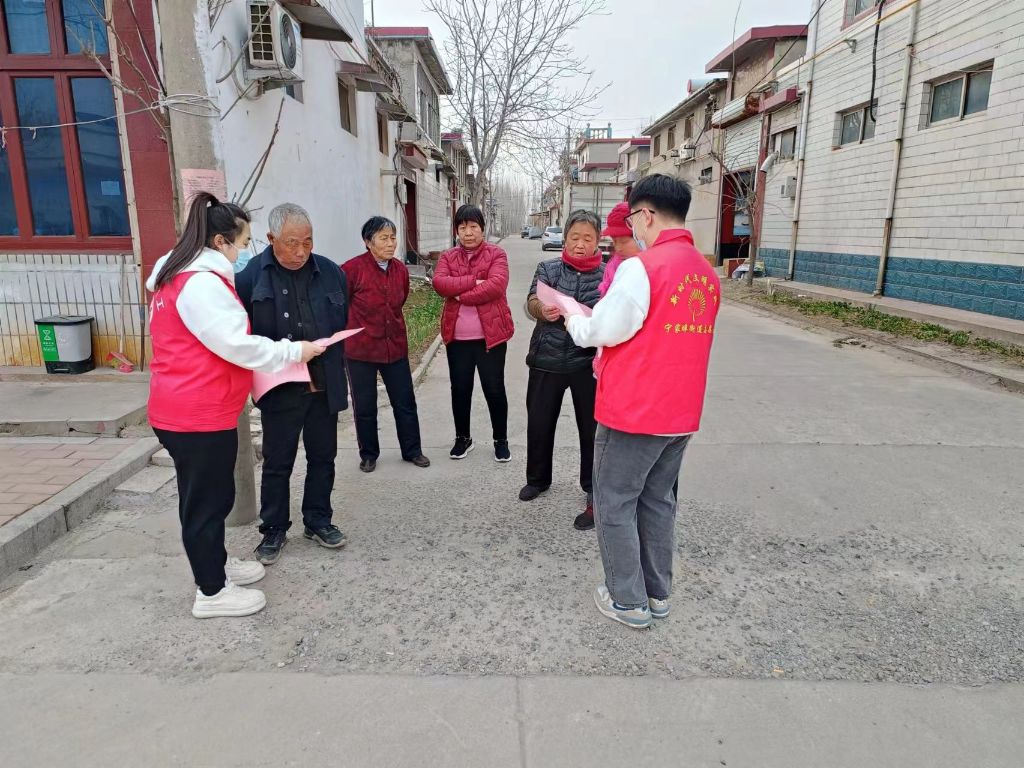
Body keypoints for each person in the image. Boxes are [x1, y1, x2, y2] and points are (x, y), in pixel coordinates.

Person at [147, 192, 324, 619]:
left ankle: (217, 564)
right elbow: (235, 345)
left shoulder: (178, 275)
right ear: (220, 242)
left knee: (213, 496)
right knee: (205, 504)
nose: (246, 252)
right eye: (244, 243)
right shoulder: (200, 284)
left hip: (195, 407)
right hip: (196, 412)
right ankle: (211, 592)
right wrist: (292, 352)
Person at [566, 174, 721, 630]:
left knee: (614, 501)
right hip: (680, 414)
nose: (631, 227)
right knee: (657, 501)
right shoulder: (705, 272)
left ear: (647, 215)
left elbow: (604, 330)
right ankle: (656, 593)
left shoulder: (643, 267)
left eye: (633, 217)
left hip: (635, 411)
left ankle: (627, 600)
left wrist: (574, 320)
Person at [235, 203, 350, 566]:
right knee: (278, 462)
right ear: (271, 239)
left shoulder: (331, 272)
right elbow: (241, 336)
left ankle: (318, 520)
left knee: (323, 457)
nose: (301, 251)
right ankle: (274, 529)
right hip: (280, 388)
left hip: (322, 384)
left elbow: (342, 317)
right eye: (292, 243)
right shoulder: (250, 278)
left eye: (308, 241)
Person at [522, 209, 605, 531]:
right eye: (574, 237)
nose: (580, 244)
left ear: (598, 241)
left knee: (592, 430)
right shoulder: (549, 268)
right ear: (566, 239)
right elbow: (531, 300)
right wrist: (541, 309)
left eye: (587, 238)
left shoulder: (608, 274)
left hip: (588, 363)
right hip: (547, 358)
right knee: (539, 423)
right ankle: (537, 479)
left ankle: (592, 486)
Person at [342, 216, 430, 473]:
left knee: (405, 402)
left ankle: (412, 450)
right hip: (361, 349)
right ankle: (368, 454)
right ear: (368, 242)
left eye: (393, 238)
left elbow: (399, 300)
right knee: (365, 405)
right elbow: (340, 304)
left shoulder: (400, 270)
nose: (391, 243)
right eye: (384, 238)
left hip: (394, 347)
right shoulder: (351, 269)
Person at [432, 204, 515, 462]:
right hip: (457, 340)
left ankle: (500, 440)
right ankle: (463, 438)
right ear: (456, 230)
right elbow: (439, 283)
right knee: (460, 389)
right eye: (462, 227)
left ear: (482, 228)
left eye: (473, 227)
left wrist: (459, 294)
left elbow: (496, 285)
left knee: (494, 389)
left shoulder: (496, 254)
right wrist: (472, 281)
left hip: (491, 338)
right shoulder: (448, 257)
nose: (468, 232)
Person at [598, 202, 642, 297]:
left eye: (623, 242)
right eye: (614, 241)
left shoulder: (652, 269)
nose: (618, 248)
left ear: (641, 237)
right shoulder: (612, 266)